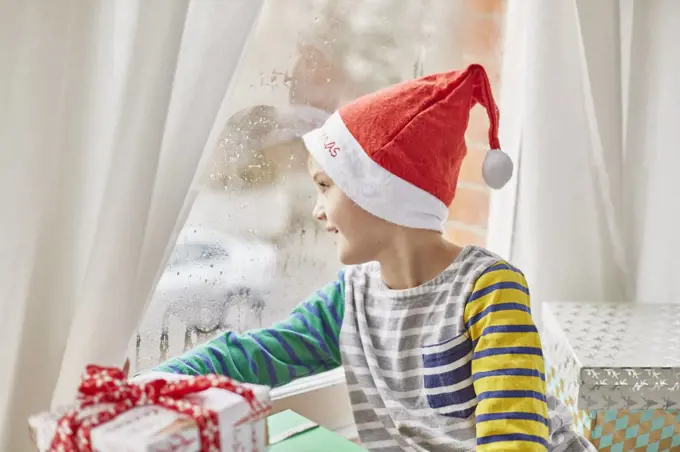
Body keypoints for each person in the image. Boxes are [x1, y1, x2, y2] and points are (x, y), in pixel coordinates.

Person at [142, 65, 595, 452]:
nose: (317, 210)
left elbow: (512, 439)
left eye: (325, 186)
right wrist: (143, 390)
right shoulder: (351, 297)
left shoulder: (489, 290)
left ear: (379, 191)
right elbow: (252, 356)